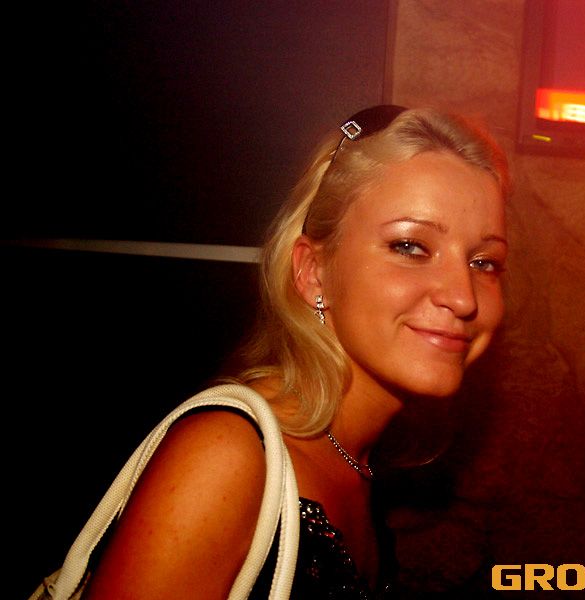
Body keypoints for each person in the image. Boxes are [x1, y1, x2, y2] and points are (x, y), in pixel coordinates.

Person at [81, 105, 511, 599]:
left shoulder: (354, 456)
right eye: (410, 247)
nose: (463, 297)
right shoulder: (229, 456)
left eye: (484, 262)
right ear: (313, 272)